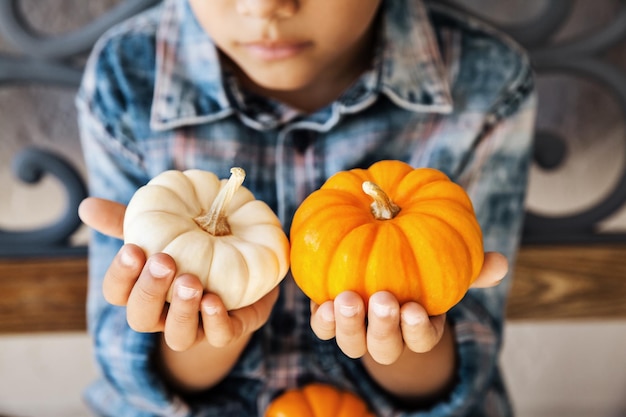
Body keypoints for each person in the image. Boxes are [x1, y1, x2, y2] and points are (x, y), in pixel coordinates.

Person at [76, 0, 536, 415]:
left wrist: (402, 337)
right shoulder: (127, 77)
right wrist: (204, 331)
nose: (263, 8)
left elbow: (461, 377)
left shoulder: (486, 82)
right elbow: (135, 374)